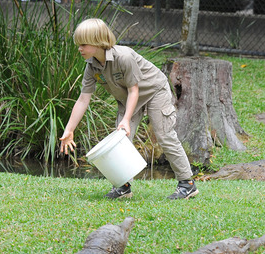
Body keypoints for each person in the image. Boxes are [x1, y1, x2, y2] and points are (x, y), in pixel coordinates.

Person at [59, 18, 199, 200]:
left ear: (98, 42)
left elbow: (135, 89)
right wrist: (69, 130)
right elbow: (83, 99)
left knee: (164, 135)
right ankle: (123, 187)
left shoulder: (123, 57)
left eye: (83, 44)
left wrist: (126, 119)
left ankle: (187, 184)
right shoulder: (91, 66)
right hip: (130, 99)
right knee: (120, 140)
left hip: (153, 91)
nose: (79, 48)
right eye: (78, 44)